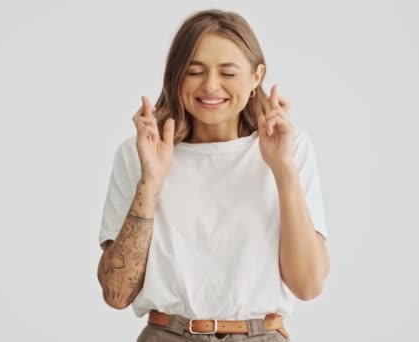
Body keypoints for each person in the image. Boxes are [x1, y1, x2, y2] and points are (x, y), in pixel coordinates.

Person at [97, 9, 330, 342]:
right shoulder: (139, 153)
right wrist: (150, 181)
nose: (210, 86)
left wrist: (282, 169)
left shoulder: (290, 149)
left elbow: (308, 285)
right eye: (194, 71)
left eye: (228, 72)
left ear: (255, 76)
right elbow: (116, 294)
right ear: (175, 76)